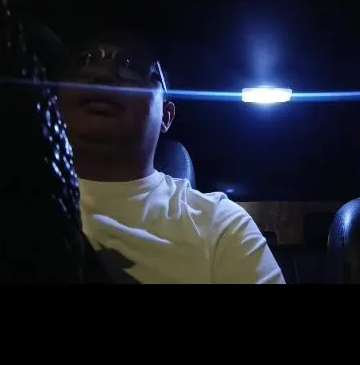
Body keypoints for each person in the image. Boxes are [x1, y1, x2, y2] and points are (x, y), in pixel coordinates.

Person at [56, 30, 285, 284]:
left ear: (166, 116)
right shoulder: (25, 198)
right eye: (84, 61)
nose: (100, 74)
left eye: (132, 66)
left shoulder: (220, 225)